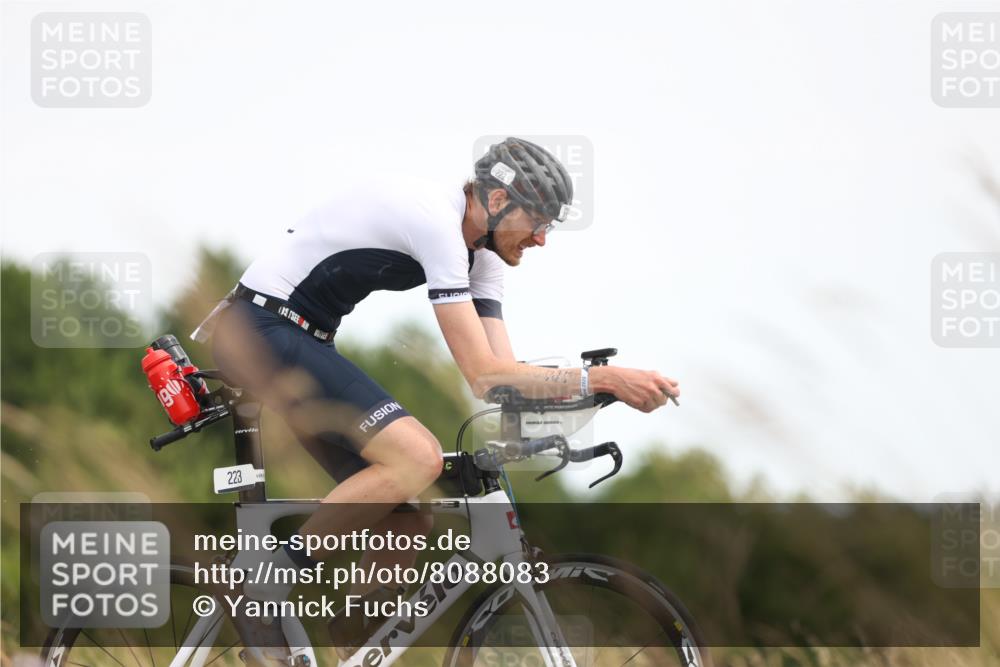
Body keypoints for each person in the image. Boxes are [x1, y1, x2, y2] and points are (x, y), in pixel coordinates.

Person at [193, 137, 680, 658]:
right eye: (538, 221)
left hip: (299, 337)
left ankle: (352, 649)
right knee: (417, 458)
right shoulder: (438, 225)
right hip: (262, 329)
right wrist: (604, 379)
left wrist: (588, 396)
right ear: (498, 201)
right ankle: (260, 587)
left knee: (407, 515)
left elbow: (501, 382)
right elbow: (482, 372)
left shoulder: (483, 257)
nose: (542, 239)